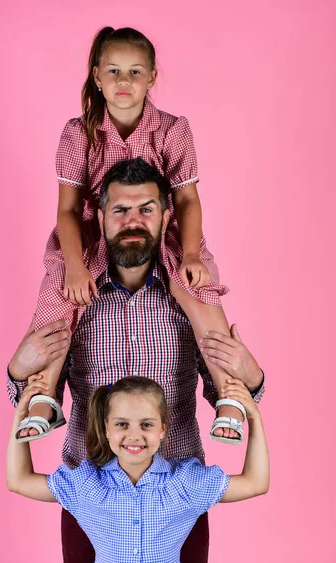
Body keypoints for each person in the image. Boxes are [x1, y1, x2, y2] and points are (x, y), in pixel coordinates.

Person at [7, 158, 265, 563]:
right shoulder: (74, 298)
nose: (133, 221)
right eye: (120, 210)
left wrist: (250, 374)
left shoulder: (190, 299)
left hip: (176, 502)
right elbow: (33, 396)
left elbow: (231, 389)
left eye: (146, 209)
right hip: (92, 498)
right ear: (100, 217)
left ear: (166, 216)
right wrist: (17, 368)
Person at [20, 26, 245, 444]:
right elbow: (68, 209)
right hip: (94, 234)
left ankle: (229, 397)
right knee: (59, 300)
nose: (125, 82)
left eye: (135, 72)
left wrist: (191, 254)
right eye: (115, 71)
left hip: (163, 231)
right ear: (98, 76)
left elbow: (187, 201)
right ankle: (43, 395)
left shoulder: (172, 129)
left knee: (200, 293)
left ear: (152, 77)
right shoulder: (78, 132)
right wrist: (72, 265)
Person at [7, 375, 270, 563]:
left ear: (163, 430)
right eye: (122, 424)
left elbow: (255, 483)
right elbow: (19, 480)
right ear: (107, 429)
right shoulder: (86, 485)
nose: (134, 435)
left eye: (146, 424)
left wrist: (254, 418)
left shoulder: (186, 484)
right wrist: (21, 415)